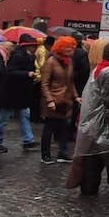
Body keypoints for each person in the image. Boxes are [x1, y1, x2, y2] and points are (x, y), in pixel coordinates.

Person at [68, 40, 109, 198]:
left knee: (93, 156)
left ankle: (88, 187)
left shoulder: (100, 68)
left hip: (92, 123)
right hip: (103, 123)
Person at [0, 34, 40, 153]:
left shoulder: (28, 56)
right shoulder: (19, 56)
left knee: (23, 116)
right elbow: (10, 72)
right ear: (28, 46)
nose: (35, 48)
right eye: (33, 46)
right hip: (10, 94)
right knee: (4, 119)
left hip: (18, 94)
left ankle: (28, 140)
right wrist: (27, 74)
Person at [40, 36, 79, 164]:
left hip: (66, 101)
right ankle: (45, 154)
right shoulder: (51, 62)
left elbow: (70, 82)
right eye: (68, 48)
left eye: (72, 48)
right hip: (54, 100)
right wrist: (49, 100)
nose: (71, 50)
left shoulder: (69, 62)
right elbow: (44, 84)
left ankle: (62, 153)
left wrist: (75, 96)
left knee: (64, 128)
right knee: (49, 128)